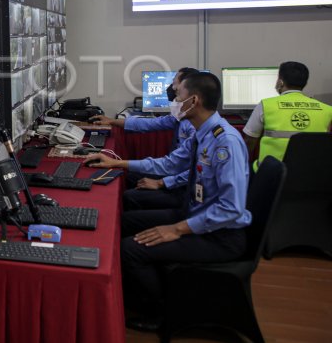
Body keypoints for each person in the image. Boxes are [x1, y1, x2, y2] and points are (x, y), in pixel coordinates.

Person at [88, 72, 251, 331]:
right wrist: (117, 163)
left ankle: (163, 312)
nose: (174, 100)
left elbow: (231, 208)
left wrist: (175, 230)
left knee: (130, 248)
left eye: (178, 96)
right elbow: (170, 163)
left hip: (220, 235)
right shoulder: (203, 133)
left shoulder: (225, 142)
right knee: (125, 221)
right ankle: (135, 293)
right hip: (195, 215)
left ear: (194, 100)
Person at [91, 68, 199, 207]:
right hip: (175, 175)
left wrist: (162, 183)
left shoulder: (195, 128)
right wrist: (112, 121)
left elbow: (179, 168)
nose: (172, 91)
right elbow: (149, 123)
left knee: (130, 198)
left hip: (184, 187)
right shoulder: (181, 118)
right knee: (130, 177)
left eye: (175, 87)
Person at [243, 61, 332, 171]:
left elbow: (249, 142)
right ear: (305, 83)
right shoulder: (327, 110)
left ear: (280, 82)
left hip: (270, 176)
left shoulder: (266, 105)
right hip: (311, 176)